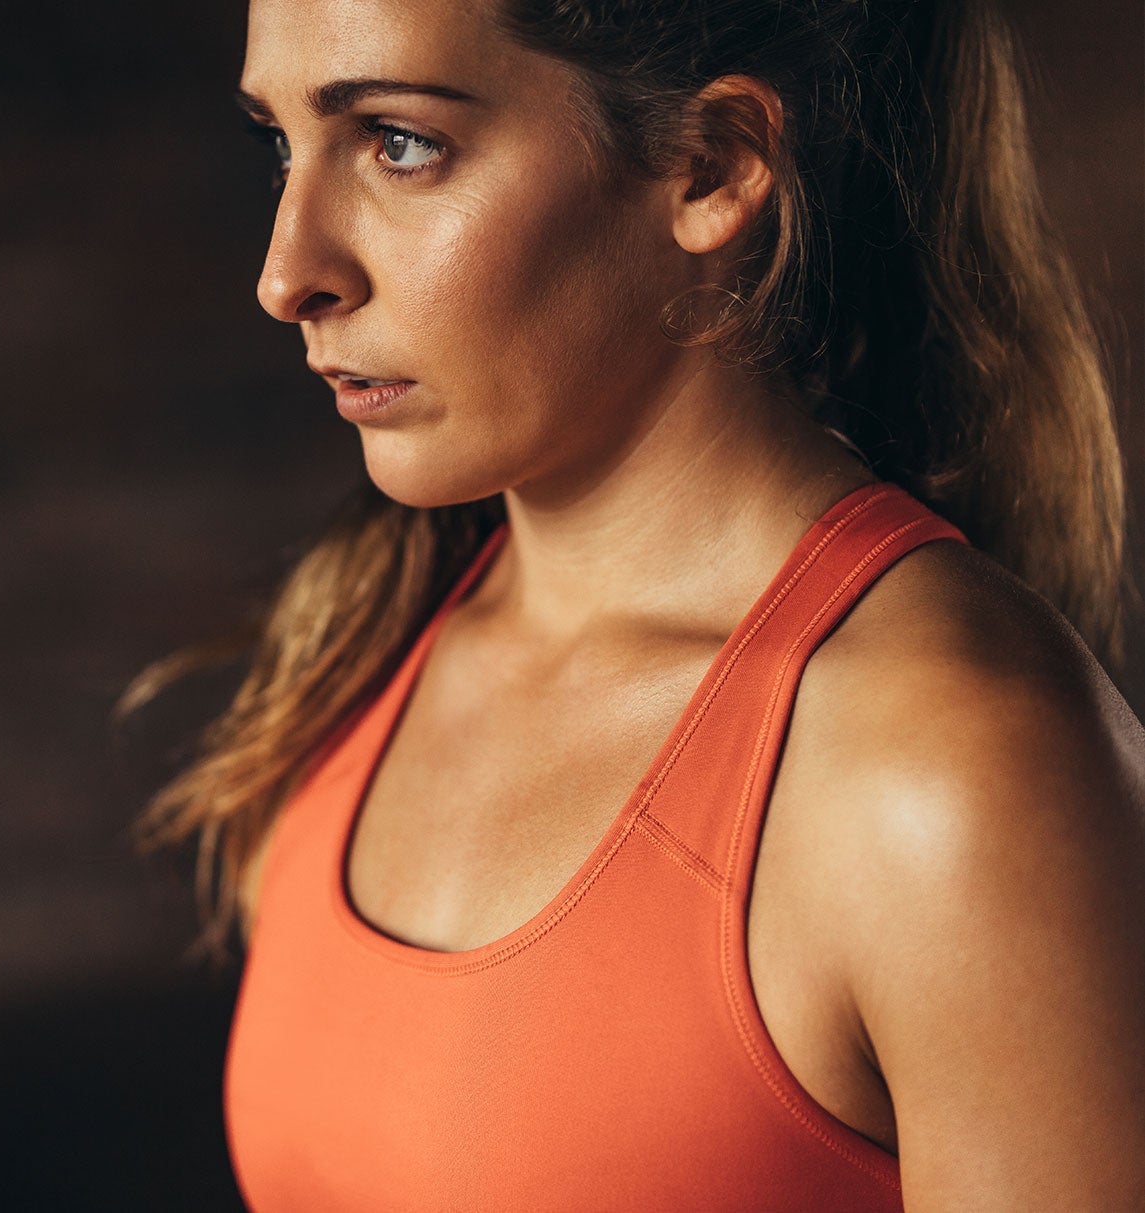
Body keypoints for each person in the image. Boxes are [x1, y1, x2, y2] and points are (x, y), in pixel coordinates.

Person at [116, 0, 1145, 1207]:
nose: (288, 274)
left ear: (708, 168)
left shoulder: (944, 763)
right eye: (280, 145)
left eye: (399, 143)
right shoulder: (358, 648)